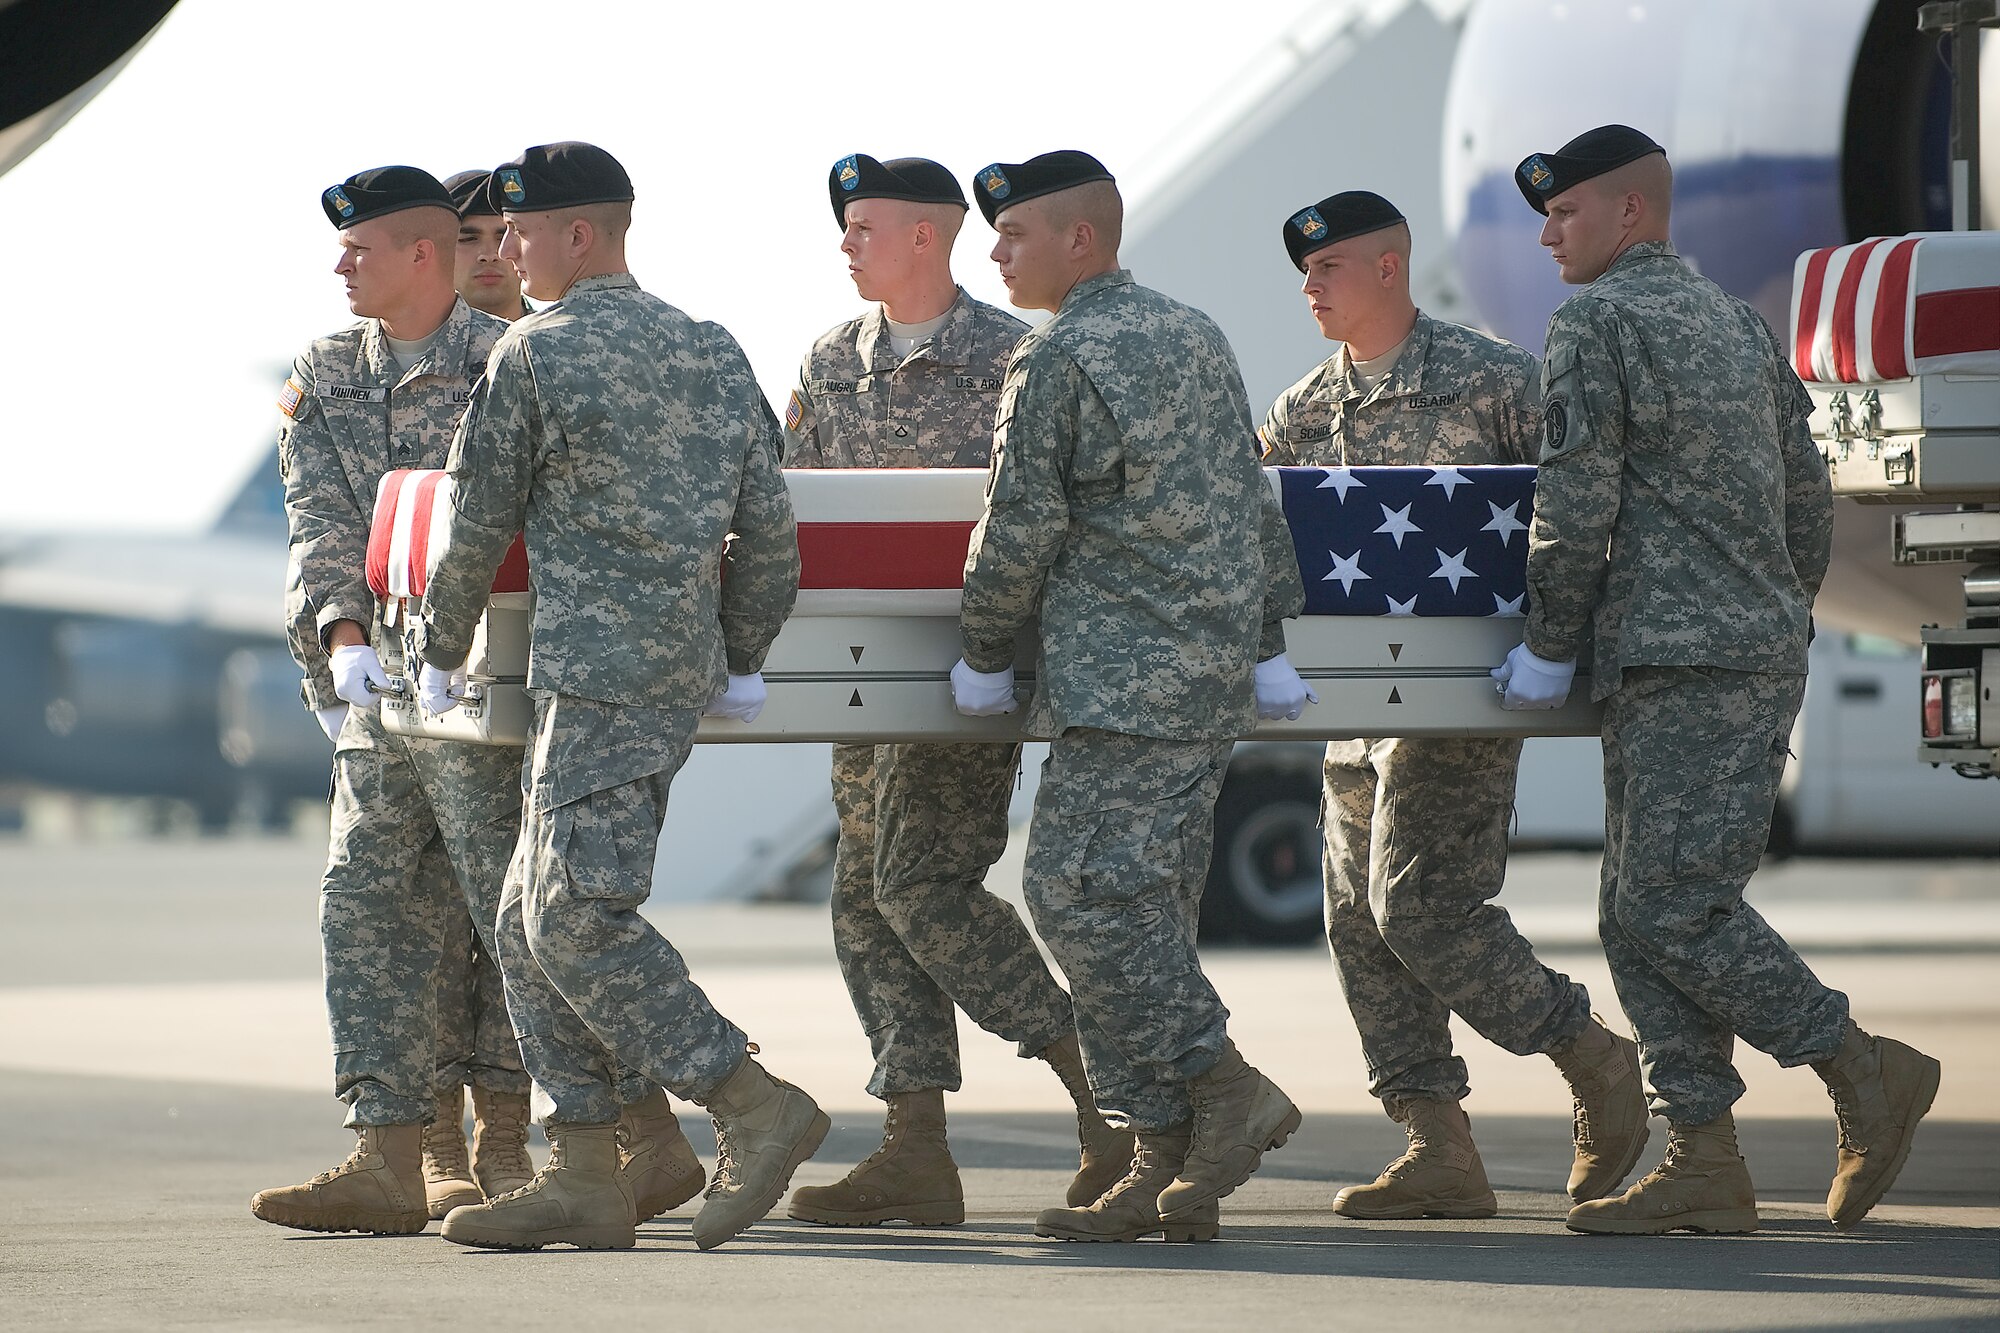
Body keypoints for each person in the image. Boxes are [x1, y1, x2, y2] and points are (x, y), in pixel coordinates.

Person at [1498, 124, 1941, 1235]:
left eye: (1565, 212)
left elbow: (1575, 502)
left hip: (1677, 656)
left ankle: (1858, 1066)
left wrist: (1548, 640)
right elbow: (1806, 498)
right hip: (1730, 651)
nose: (1547, 233)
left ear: (1630, 215)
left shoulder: (1595, 322)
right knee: (1629, 908)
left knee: (1663, 902)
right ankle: (1700, 1150)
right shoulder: (1736, 324)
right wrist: (1775, 614)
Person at [412, 142, 824, 1253]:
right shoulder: (710, 345)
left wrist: (438, 646)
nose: (502, 249)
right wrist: (739, 651)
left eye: (519, 230)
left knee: (570, 918)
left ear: (578, 235)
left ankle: (750, 1100)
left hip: (595, 676)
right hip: (669, 672)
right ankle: (584, 1169)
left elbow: (474, 520)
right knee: (521, 918)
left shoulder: (536, 356)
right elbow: (770, 530)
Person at [1258, 190, 1648, 1218]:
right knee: (1354, 924)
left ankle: (1591, 1055)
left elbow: (1586, 495)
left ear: (1388, 267)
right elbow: (1245, 520)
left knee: (1420, 909)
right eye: (1303, 271)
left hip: (1461, 700)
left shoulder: (1495, 383)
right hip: (1353, 710)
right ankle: (1436, 1145)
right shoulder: (1303, 408)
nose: (1308, 286)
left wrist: (1568, 646)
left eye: (1328, 267)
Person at [952, 150, 1310, 1244]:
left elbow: (1019, 523)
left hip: (1121, 679)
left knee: (1068, 895)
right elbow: (1247, 498)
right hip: (1202, 679)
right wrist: (1264, 639)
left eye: (1014, 234)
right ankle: (1162, 1156)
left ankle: (1222, 1082)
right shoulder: (1195, 333)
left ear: (1081, 240)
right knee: (1142, 909)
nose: (995, 251)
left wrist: (979, 644)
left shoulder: (1058, 354)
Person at [781, 153, 1128, 1229]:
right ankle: (914, 1146)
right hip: (855, 688)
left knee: (922, 888)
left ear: (924, 236)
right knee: (863, 900)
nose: (846, 243)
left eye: (865, 225)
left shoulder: (1013, 357)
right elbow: (792, 503)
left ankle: (1104, 1096)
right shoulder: (831, 361)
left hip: (963, 678)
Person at [253, 166, 544, 1235]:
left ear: (422, 256)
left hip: (490, 684)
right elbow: (318, 518)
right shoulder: (323, 373)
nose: (339, 265)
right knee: (365, 901)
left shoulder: (509, 364)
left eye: (358, 247)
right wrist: (338, 639)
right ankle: (390, 1148)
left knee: (498, 916)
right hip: (381, 685)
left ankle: (513, 1141)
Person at [443, 169, 531, 322]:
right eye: (469, 239)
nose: (490, 256)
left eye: (505, 237)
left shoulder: (572, 340)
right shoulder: (396, 342)